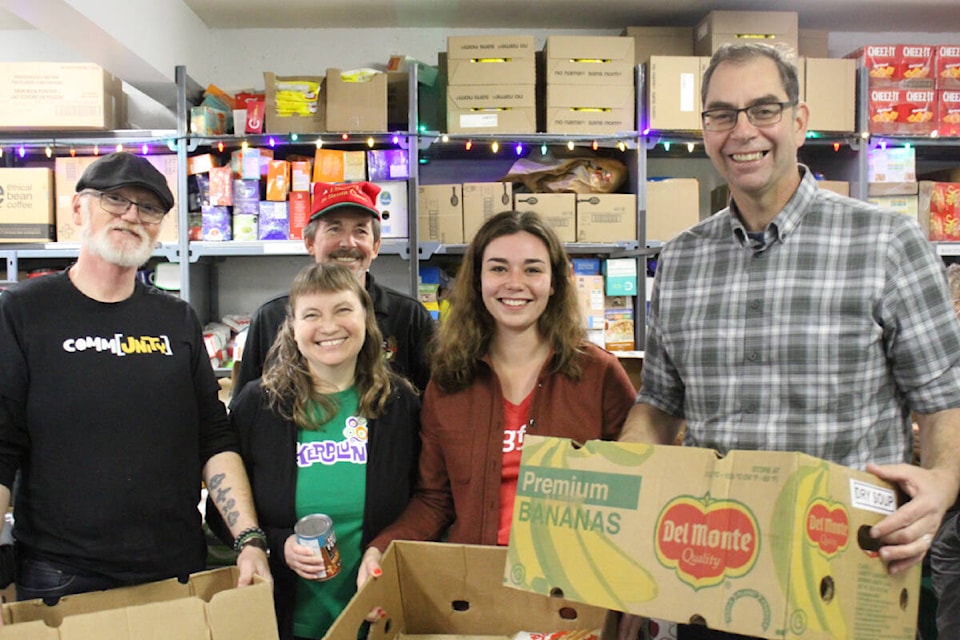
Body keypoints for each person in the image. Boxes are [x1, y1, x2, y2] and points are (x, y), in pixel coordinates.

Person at [620, 42, 960, 640]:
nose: (741, 131)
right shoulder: (679, 260)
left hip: (849, 570)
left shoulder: (886, 243)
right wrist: (622, 483)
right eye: (721, 114)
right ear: (704, 129)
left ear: (800, 121)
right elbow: (660, 403)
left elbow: (942, 398)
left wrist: (942, 480)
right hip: (712, 576)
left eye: (764, 110)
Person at [0, 152, 270, 605]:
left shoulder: (176, 319)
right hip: (62, 575)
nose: (132, 215)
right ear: (78, 209)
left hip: (175, 570)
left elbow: (213, 434)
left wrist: (249, 539)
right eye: (115, 199)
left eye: (149, 208)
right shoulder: (24, 313)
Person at [356, 210, 637, 582]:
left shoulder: (598, 375)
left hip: (572, 589)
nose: (515, 283)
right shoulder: (450, 382)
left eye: (533, 269)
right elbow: (434, 499)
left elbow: (634, 493)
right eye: (499, 268)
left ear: (554, 283)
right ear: (477, 280)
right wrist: (383, 546)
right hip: (476, 586)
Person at [224, 262, 421, 640]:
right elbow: (227, 505)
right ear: (293, 329)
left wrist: (387, 568)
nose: (329, 327)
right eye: (312, 314)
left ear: (366, 319)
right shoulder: (259, 405)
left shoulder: (400, 405)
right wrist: (278, 545)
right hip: (283, 620)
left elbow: (425, 502)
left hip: (377, 618)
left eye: (343, 310)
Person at [233, 180, 434, 398]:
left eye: (360, 231)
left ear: (375, 246)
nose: (348, 242)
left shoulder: (410, 317)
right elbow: (247, 411)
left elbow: (432, 407)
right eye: (334, 229)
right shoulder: (270, 318)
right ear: (309, 242)